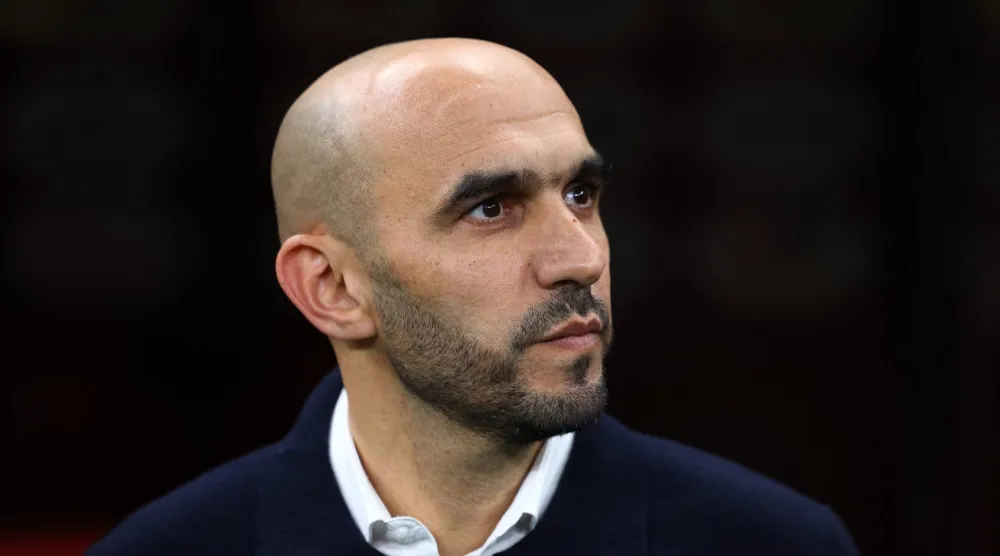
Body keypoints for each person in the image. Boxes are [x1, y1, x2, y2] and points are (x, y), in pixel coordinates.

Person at [89, 38, 861, 556]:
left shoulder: (773, 542)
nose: (580, 257)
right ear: (331, 287)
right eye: (491, 208)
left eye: (581, 193)